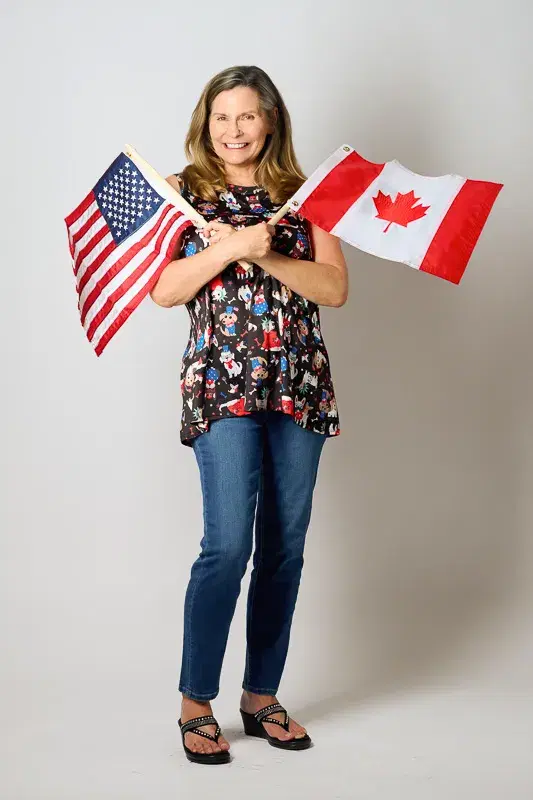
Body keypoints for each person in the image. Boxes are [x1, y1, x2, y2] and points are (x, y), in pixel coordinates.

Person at [150, 65, 348, 765]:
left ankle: (259, 694)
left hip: (298, 388)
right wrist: (233, 244)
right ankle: (195, 700)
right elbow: (165, 291)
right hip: (221, 390)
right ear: (207, 125)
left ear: (270, 123)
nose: (232, 131)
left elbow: (334, 287)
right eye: (220, 118)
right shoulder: (182, 197)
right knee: (226, 546)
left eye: (246, 117)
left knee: (284, 550)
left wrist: (267, 257)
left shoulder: (310, 198)